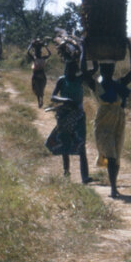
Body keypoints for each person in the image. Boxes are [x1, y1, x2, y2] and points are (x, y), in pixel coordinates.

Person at [90, 41, 131, 199]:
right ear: (101, 70)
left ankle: (114, 185)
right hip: (103, 123)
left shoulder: (119, 84)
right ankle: (113, 188)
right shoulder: (96, 84)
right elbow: (84, 71)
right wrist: (87, 52)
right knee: (110, 155)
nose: (108, 70)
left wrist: (130, 49)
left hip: (118, 121)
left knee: (115, 156)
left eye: (111, 68)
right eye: (105, 68)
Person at [45, 44, 91, 183]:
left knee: (81, 144)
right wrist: (65, 100)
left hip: (78, 115)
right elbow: (53, 97)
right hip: (64, 115)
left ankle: (85, 177)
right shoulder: (62, 80)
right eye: (67, 68)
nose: (69, 71)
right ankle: (66, 173)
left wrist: (85, 51)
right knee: (65, 144)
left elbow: (92, 69)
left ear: (76, 69)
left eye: (72, 68)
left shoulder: (79, 78)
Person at [26, 37, 51, 108]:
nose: (39, 53)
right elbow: (49, 54)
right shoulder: (41, 58)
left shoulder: (36, 58)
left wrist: (30, 46)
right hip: (41, 74)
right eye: (39, 52)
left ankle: (40, 101)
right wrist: (46, 47)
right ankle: (40, 100)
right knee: (40, 88)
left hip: (37, 74)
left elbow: (28, 52)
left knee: (37, 88)